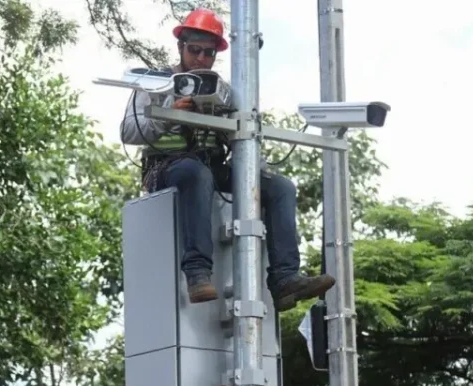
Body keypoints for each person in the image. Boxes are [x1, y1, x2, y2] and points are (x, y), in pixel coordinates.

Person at [119, 8, 335, 312]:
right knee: (196, 174)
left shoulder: (221, 92)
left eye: (208, 54)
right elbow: (128, 130)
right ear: (181, 47)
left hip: (209, 167)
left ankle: (284, 278)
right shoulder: (156, 83)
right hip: (166, 168)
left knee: (280, 187)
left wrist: (249, 164)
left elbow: (242, 136)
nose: (200, 59)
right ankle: (197, 273)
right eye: (194, 50)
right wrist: (170, 112)